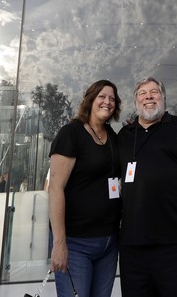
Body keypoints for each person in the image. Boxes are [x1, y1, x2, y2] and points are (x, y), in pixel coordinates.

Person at [117, 77, 177, 297]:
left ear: (163, 97)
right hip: (133, 247)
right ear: (136, 101)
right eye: (142, 93)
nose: (148, 96)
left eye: (154, 92)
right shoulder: (124, 137)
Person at [48, 80, 122, 297]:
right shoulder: (71, 133)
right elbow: (55, 188)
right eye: (102, 96)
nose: (107, 102)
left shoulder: (113, 137)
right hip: (76, 243)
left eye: (112, 98)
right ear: (90, 99)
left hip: (109, 243)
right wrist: (59, 243)